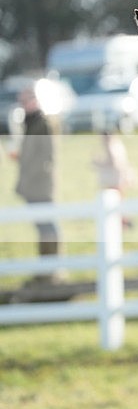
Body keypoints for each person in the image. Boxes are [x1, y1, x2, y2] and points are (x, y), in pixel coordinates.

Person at [12, 87, 62, 284]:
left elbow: (46, 157)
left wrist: (30, 177)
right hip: (33, 184)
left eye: (27, 99)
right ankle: (46, 271)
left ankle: (52, 272)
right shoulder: (31, 122)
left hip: (40, 185)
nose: (23, 104)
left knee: (47, 227)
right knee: (42, 228)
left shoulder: (43, 122)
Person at [93, 130, 138, 228]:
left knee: (115, 202)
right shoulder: (117, 144)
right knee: (119, 201)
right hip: (120, 177)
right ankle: (125, 222)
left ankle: (125, 222)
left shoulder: (110, 146)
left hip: (115, 179)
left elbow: (113, 161)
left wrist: (98, 163)